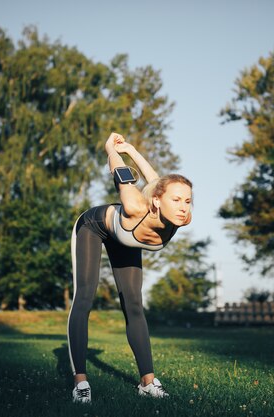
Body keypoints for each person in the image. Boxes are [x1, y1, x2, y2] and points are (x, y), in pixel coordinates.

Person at [67, 132, 193, 404]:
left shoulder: (177, 219)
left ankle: (148, 382)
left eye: (187, 200)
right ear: (158, 202)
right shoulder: (135, 205)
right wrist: (111, 149)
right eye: (177, 200)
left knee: (134, 304)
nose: (184, 207)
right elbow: (120, 171)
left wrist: (133, 150)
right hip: (94, 226)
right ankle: (81, 382)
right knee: (85, 296)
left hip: (125, 237)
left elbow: (157, 182)